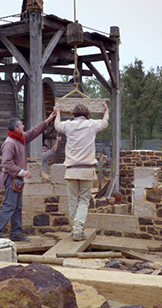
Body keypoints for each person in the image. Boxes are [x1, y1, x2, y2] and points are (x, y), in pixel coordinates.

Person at [0, 111, 57, 241]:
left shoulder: (20, 138)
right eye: (21, 125)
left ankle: (16, 233)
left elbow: (34, 132)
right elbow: (7, 163)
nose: (23, 126)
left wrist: (48, 120)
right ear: (16, 128)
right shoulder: (10, 143)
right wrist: (22, 172)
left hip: (17, 179)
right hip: (12, 178)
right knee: (9, 206)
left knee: (17, 207)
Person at [54, 102, 109, 241]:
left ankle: (75, 229)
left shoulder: (68, 125)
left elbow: (57, 125)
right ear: (86, 115)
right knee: (84, 201)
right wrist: (106, 110)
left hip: (71, 170)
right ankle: (78, 229)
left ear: (74, 114)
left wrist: (58, 112)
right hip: (86, 170)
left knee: (73, 201)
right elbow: (105, 122)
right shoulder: (92, 124)